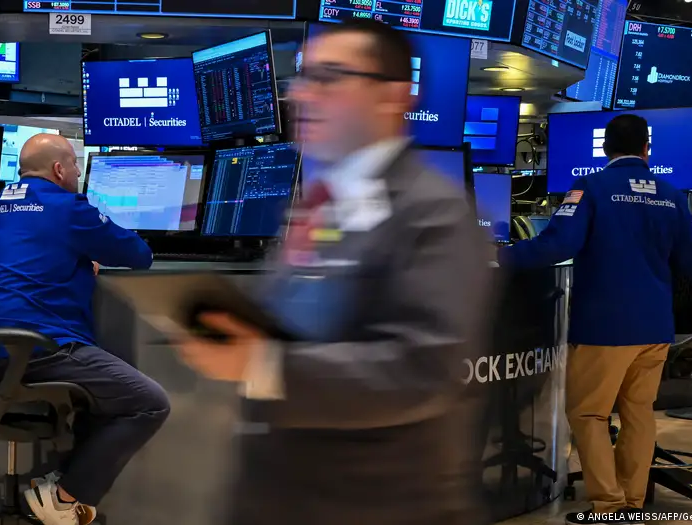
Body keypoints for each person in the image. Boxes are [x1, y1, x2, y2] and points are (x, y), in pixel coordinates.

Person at [172, 20, 490, 525]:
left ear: (393, 95)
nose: (301, 95)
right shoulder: (323, 203)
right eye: (303, 77)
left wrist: (264, 364)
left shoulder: (433, 213)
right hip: (284, 495)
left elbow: (421, 369)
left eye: (329, 77)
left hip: (377, 504)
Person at [498, 114, 692, 524]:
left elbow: (556, 245)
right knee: (638, 413)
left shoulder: (590, 188)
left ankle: (609, 506)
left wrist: (497, 256)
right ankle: (632, 501)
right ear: (647, 149)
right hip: (655, 329)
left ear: (604, 148)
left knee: (589, 414)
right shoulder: (669, 195)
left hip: (605, 328)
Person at [0, 133, 168, 525]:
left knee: (107, 397)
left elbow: (32, 249)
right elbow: (139, 255)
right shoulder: (68, 207)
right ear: (60, 169)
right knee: (150, 402)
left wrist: (77, 259)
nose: (79, 172)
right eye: (76, 164)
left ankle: (63, 486)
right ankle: (62, 499)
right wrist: (86, 251)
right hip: (44, 349)